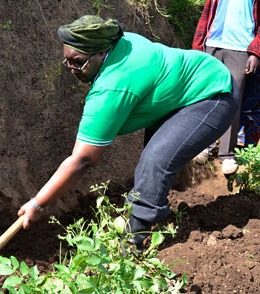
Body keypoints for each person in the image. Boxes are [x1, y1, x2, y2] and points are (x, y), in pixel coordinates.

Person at [18, 15, 239, 252]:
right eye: (67, 62)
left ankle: (131, 243)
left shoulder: (114, 85)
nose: (72, 70)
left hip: (212, 92)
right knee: (155, 161)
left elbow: (82, 160)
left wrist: (38, 204)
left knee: (156, 160)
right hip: (181, 94)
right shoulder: (119, 44)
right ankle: (158, 215)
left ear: (102, 53)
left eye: (78, 62)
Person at [192, 0, 260, 174]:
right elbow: (206, 15)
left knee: (232, 101)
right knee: (207, 98)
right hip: (212, 45)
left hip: (240, 48)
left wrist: (255, 52)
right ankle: (205, 146)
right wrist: (199, 46)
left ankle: (227, 154)